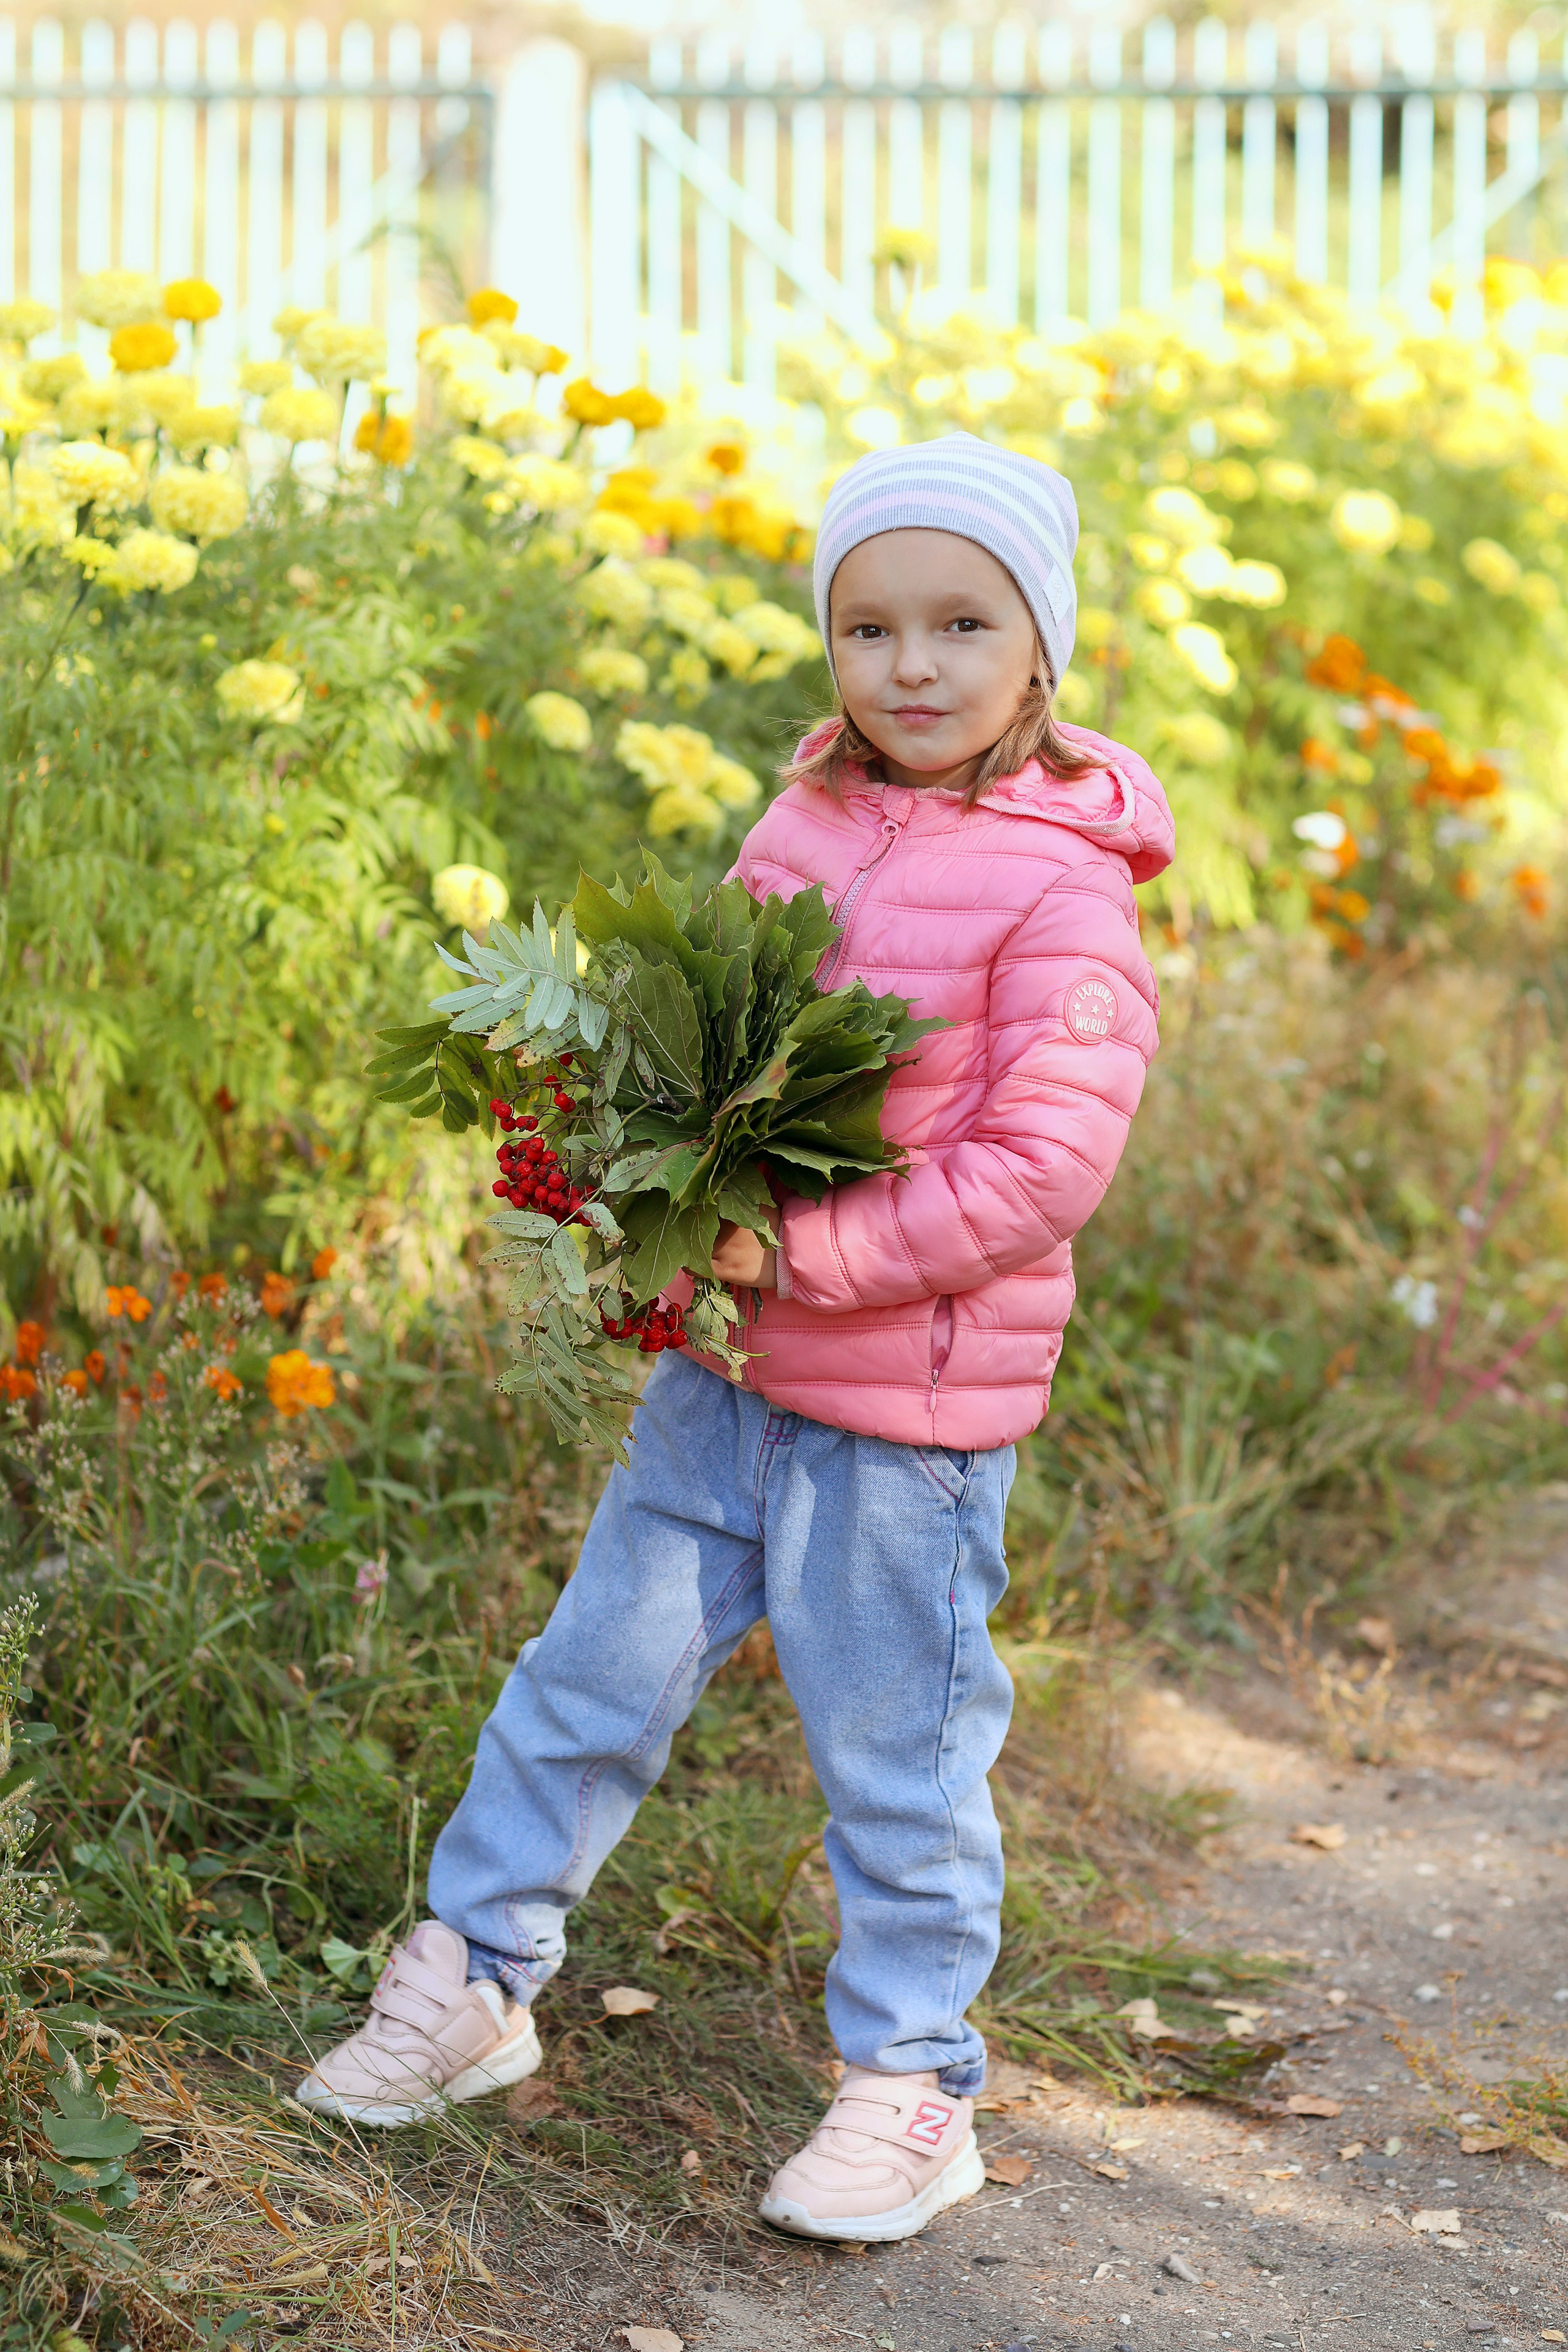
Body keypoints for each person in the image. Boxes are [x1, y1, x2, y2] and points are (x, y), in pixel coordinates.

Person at [295, 432, 1174, 2244]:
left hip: (906, 1423)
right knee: (584, 1686)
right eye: (868, 626)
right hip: (725, 1380)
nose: (910, 665)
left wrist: (800, 1253)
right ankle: (473, 1979)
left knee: (899, 1761)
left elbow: (1036, 1172)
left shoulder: (1067, 889)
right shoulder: (803, 823)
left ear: (1042, 647)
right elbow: (723, 1055)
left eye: (957, 623)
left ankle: (914, 2086)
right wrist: (640, 1171)